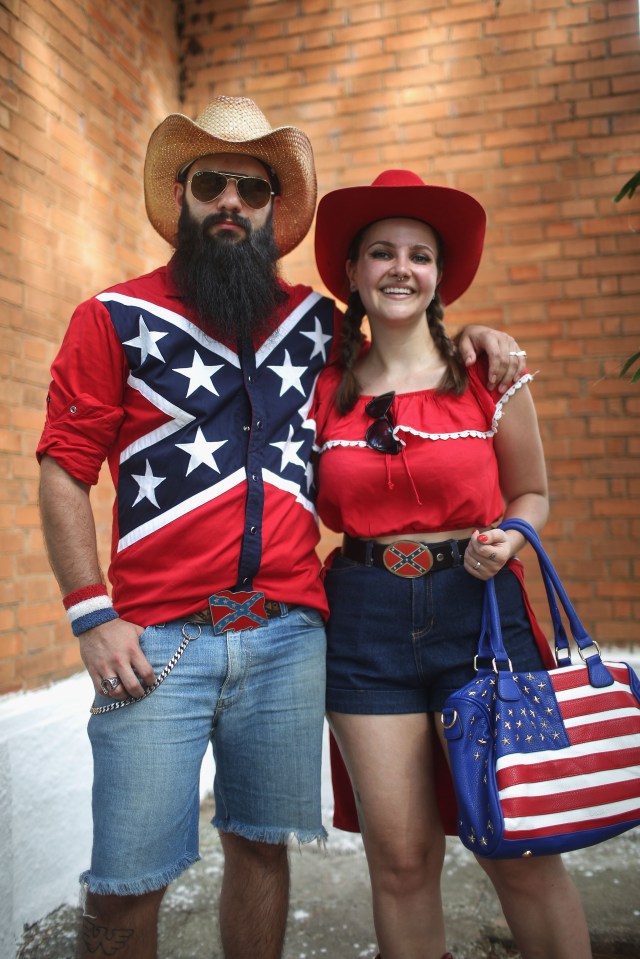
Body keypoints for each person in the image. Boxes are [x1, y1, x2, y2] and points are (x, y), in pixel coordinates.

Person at [37, 96, 527, 959]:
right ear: (181, 196)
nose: (231, 201)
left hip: (290, 638)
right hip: (155, 643)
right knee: (125, 885)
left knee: (261, 851)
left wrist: (480, 340)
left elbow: (406, 347)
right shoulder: (110, 317)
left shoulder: (318, 325)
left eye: (253, 188)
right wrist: (89, 611)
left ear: (273, 210)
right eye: (211, 182)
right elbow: (63, 466)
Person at [311, 169, 593, 959]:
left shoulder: (488, 374)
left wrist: (511, 533)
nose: (401, 268)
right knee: (400, 860)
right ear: (355, 273)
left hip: (482, 613)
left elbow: (531, 490)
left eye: (419, 255)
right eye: (381, 252)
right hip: (364, 619)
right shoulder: (323, 388)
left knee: (521, 846)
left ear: (438, 275)